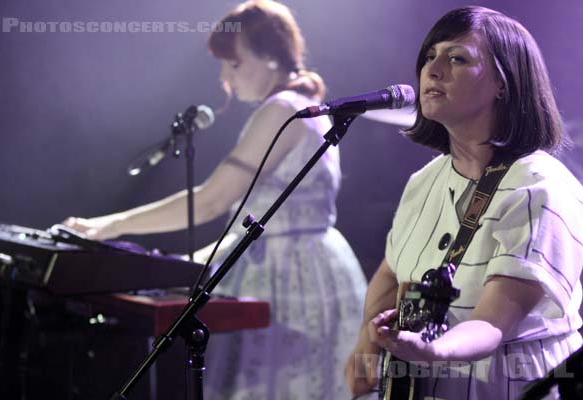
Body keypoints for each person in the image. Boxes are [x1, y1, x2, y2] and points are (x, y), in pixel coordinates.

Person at [64, 1, 367, 399]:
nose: (225, 77)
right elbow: (252, 217)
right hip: (305, 266)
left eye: (235, 64)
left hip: (290, 276)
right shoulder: (296, 107)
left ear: (272, 57)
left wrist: (109, 226)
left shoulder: (282, 111)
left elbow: (211, 201)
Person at [345, 6, 583, 400]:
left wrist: (435, 350)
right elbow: (394, 273)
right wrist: (365, 353)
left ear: (504, 83)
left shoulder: (539, 188)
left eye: (457, 58)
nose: (433, 70)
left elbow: (492, 324)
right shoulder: (424, 182)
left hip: (513, 386)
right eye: (429, 56)